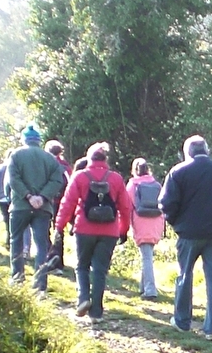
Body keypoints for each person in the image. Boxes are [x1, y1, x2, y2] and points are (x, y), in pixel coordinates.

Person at [161, 135, 212, 339]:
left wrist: (175, 223)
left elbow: (167, 203)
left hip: (188, 232)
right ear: (207, 150)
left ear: (187, 152)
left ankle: (182, 321)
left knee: (185, 275)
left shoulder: (178, 172)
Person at [55, 144, 132, 324]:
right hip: (110, 231)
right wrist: (123, 229)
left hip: (84, 229)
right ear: (106, 160)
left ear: (89, 159)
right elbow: (125, 207)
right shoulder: (116, 178)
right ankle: (96, 312)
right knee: (100, 270)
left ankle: (83, 299)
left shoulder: (80, 176)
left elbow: (68, 203)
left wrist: (60, 226)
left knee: (82, 266)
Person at [7, 125, 66, 294]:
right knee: (41, 245)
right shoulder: (50, 158)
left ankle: (17, 277)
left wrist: (28, 196)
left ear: (23, 139)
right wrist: (42, 197)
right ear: (38, 140)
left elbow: (13, 179)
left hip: (20, 206)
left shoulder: (16, 155)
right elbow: (57, 181)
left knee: (16, 241)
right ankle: (40, 284)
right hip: (43, 207)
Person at [127, 158, 166, 299]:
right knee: (147, 255)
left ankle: (150, 290)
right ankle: (143, 286)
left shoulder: (133, 185)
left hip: (141, 222)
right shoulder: (156, 185)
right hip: (156, 222)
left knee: (146, 257)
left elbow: (127, 205)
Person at [45, 140, 72, 272]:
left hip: (47, 201)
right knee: (59, 231)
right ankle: (59, 262)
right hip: (62, 203)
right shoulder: (66, 167)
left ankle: (49, 258)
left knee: (44, 230)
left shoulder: (45, 163)